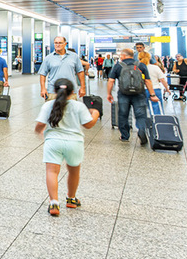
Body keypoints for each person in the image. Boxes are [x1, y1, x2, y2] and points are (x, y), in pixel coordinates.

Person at [35, 78, 100, 216]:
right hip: (74, 142)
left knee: (52, 172)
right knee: (73, 171)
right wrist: (95, 114)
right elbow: (88, 125)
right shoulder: (78, 106)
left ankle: (54, 202)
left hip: (53, 142)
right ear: (72, 92)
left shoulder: (48, 105)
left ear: (54, 90)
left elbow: (39, 125)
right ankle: (71, 199)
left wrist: (41, 132)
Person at [106, 47, 158, 144]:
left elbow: (111, 81)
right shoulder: (141, 65)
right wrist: (152, 94)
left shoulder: (118, 66)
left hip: (123, 94)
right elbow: (147, 81)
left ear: (123, 56)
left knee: (123, 114)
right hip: (139, 94)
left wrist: (109, 94)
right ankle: (142, 130)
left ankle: (125, 136)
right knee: (141, 114)